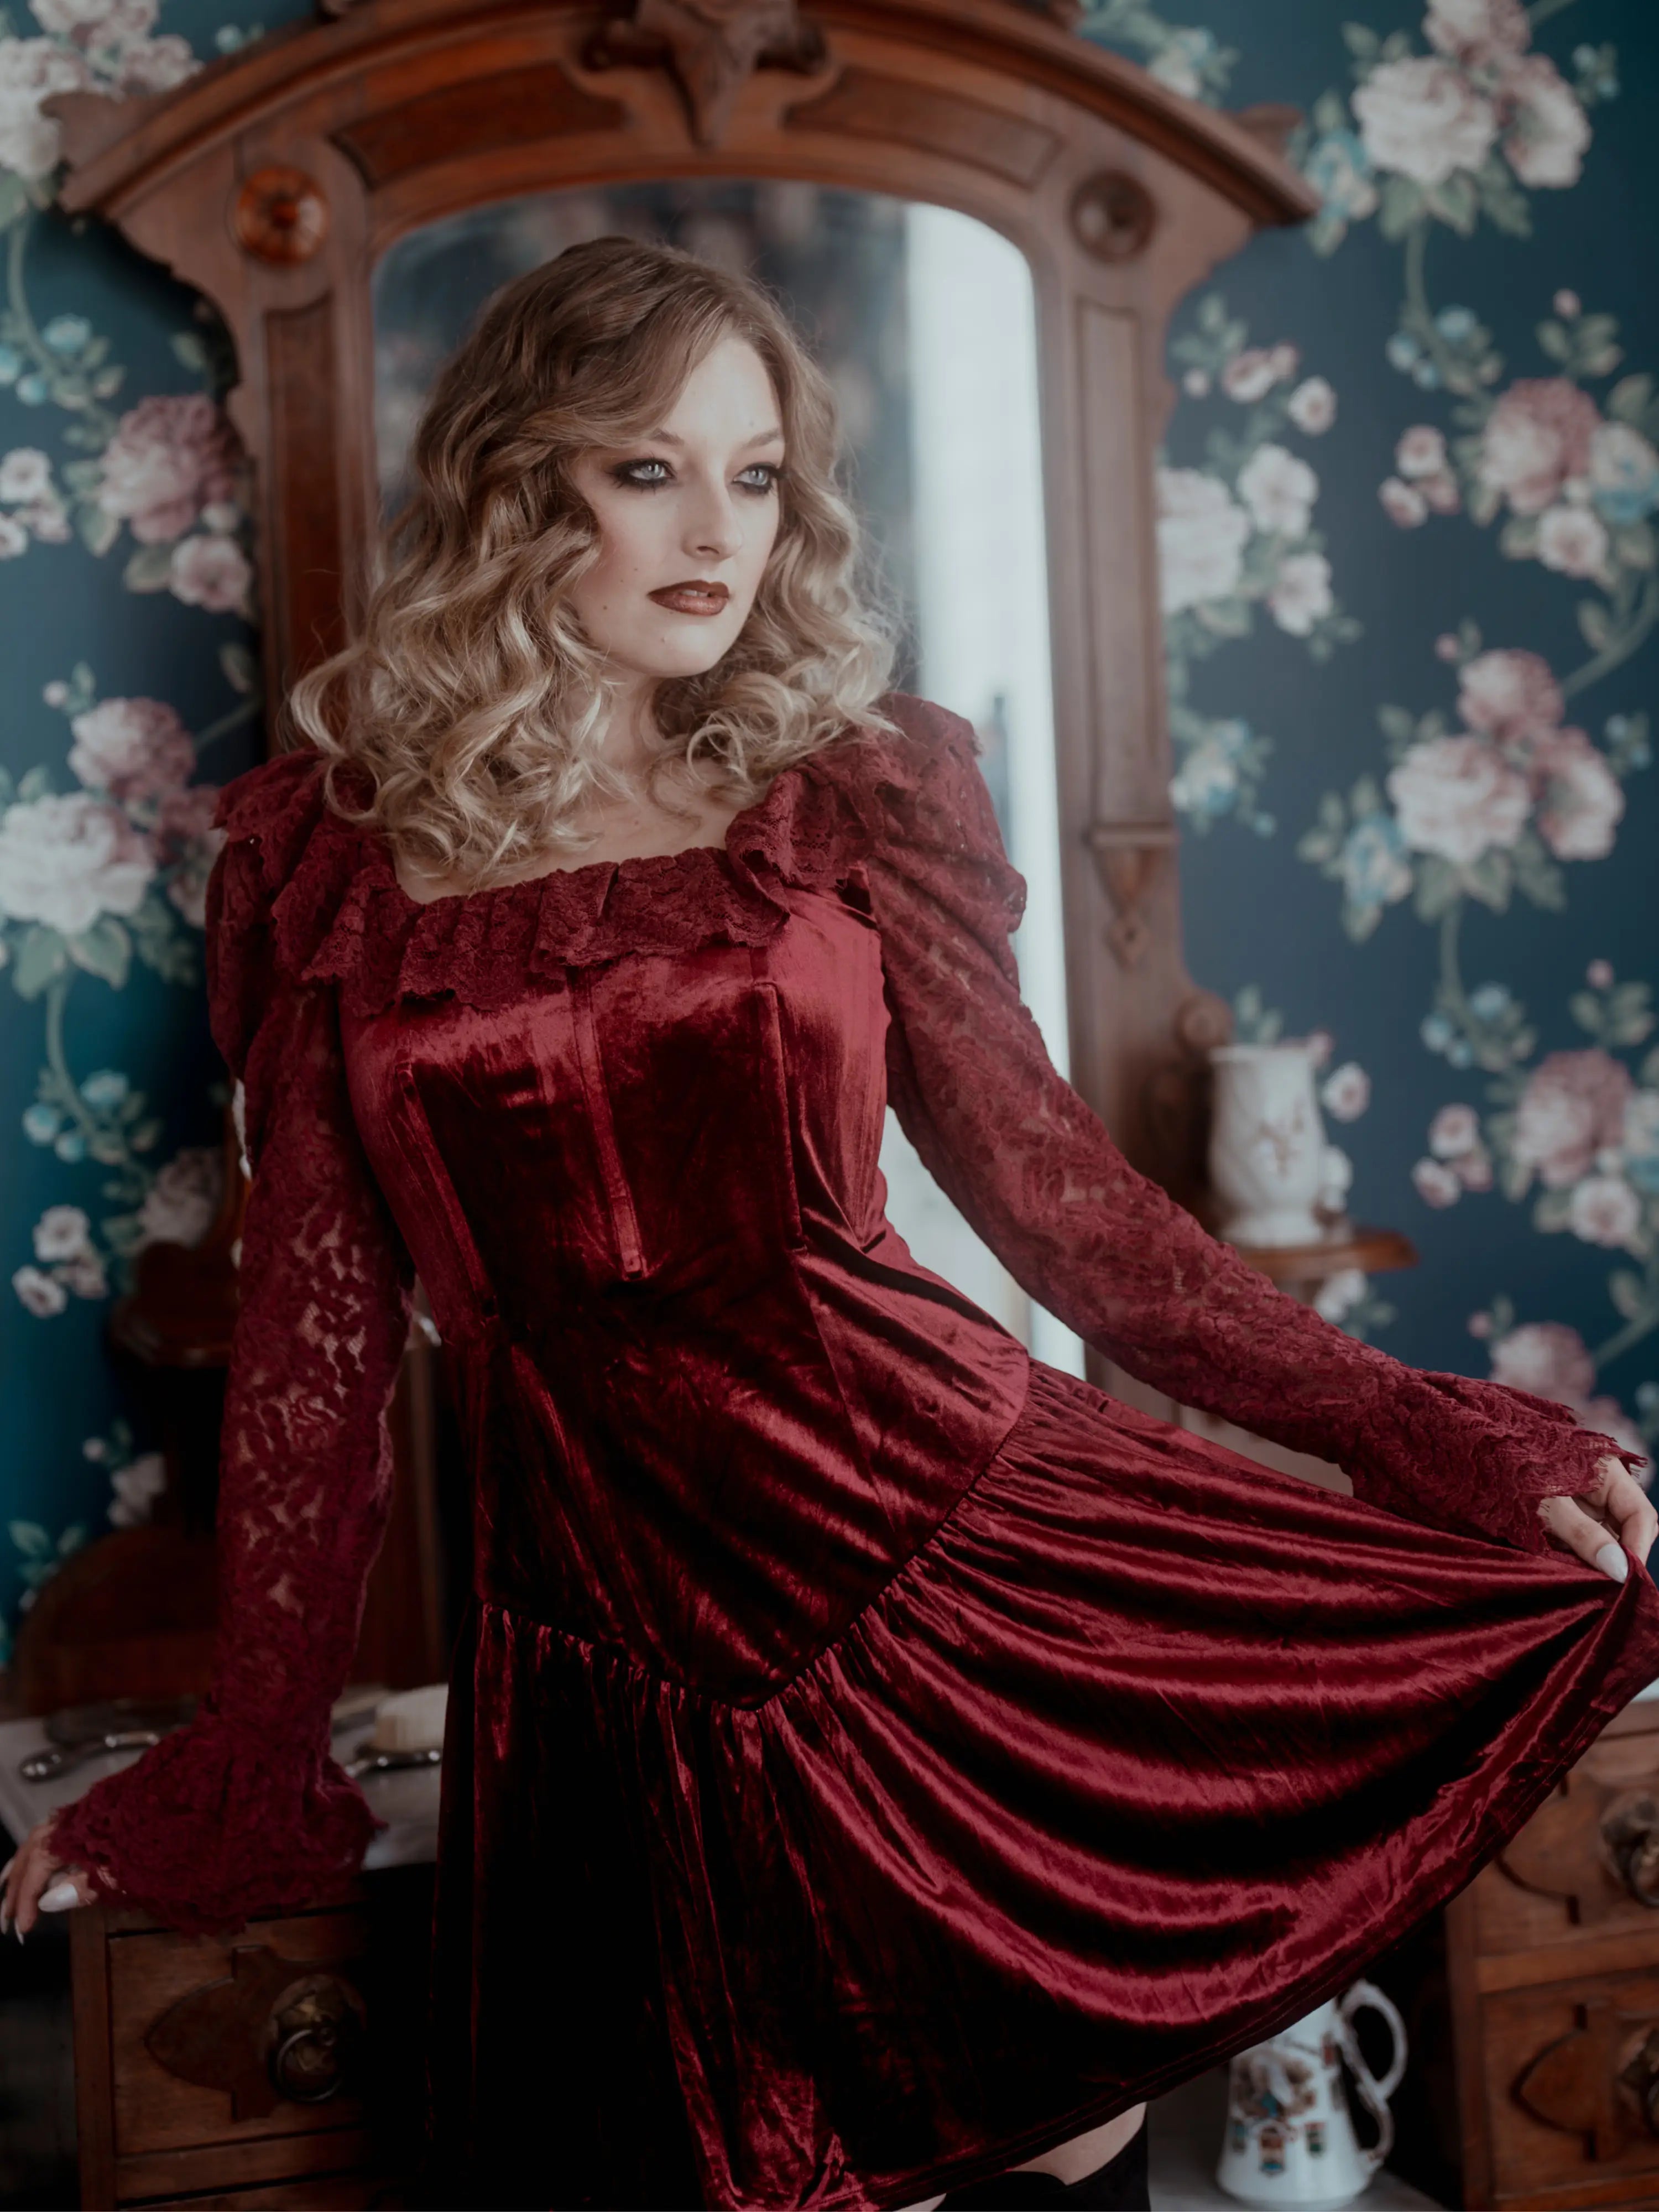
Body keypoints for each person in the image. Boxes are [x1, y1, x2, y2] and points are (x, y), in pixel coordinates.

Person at [5, 237, 1656, 2212]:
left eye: (759, 471)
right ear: (523, 488)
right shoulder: (325, 860)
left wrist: (1420, 1428)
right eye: (648, 470)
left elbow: (1067, 1214)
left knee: (1057, 2130)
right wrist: (250, 1755)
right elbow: (313, 1353)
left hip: (950, 1559)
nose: (720, 528)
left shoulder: (857, 792)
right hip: (608, 1660)